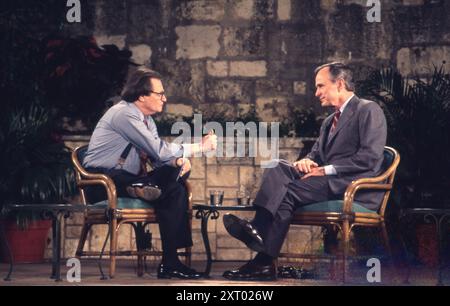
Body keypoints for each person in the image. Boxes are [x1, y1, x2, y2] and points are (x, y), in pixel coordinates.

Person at [222, 62, 387, 281]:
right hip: (326, 183)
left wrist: (326, 170)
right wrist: (306, 162)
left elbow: (370, 157)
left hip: (352, 187)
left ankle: (262, 258)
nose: (316, 93)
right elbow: (316, 154)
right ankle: (260, 239)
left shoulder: (368, 109)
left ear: (339, 84)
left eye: (320, 86)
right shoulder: (329, 121)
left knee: (287, 194)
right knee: (276, 166)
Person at [83, 67, 217, 279]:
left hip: (131, 181)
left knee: (176, 188)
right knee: (174, 185)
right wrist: (199, 147)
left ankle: (170, 262)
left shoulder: (148, 121)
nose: (164, 99)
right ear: (142, 95)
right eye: (160, 94)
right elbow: (158, 149)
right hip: (104, 183)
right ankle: (141, 188)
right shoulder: (123, 114)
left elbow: (159, 158)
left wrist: (177, 162)